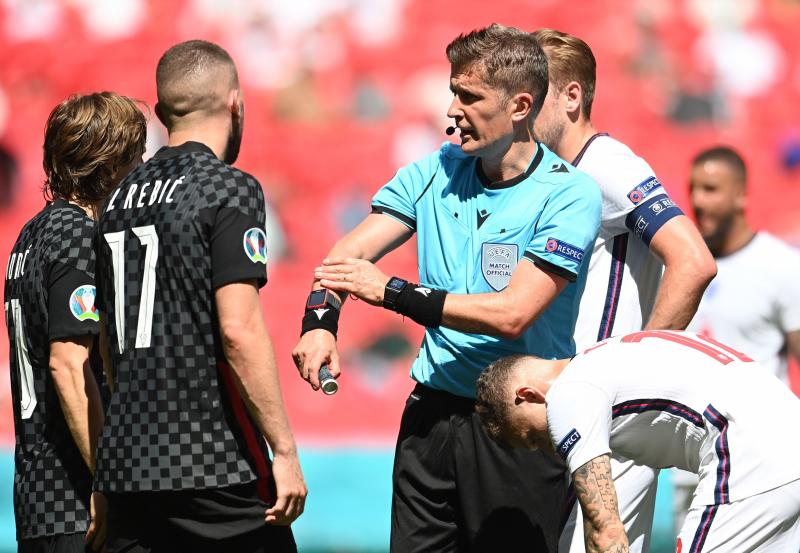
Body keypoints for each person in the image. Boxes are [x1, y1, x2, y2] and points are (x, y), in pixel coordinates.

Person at [293, 24, 601, 553]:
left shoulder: (569, 195)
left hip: (517, 423)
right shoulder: (431, 171)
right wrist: (320, 323)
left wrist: (391, 292)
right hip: (432, 416)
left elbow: (513, 314)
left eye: (469, 96)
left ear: (520, 105)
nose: (452, 110)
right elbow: (345, 258)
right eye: (452, 92)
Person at [93, 40, 306, 553]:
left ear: (164, 113)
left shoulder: (117, 198)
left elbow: (105, 338)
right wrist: (284, 450)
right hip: (210, 458)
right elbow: (238, 329)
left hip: (126, 459)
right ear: (236, 102)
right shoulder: (229, 188)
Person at [530, 29, 718, 552]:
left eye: (533, 90)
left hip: (607, 413)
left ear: (572, 96)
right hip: (569, 404)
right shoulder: (555, 176)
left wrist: (635, 373)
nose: (519, 105)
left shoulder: (609, 166)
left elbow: (693, 261)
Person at [475, 330, 800, 552]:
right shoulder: (609, 353)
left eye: (533, 437)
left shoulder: (566, 395)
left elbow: (607, 530)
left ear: (528, 395)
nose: (548, 449)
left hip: (746, 455)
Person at [4, 92, 146, 553]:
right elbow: (68, 364)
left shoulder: (31, 234)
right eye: (135, 159)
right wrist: (106, 484)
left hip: (37, 495)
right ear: (108, 164)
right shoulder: (76, 234)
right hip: (75, 499)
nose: (141, 172)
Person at [688, 146, 800, 384]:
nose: (697, 200)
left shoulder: (782, 265)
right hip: (692, 419)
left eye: (710, 189)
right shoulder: (681, 264)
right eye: (692, 190)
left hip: (760, 419)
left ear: (741, 195)